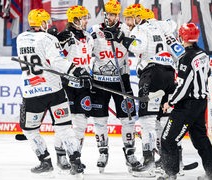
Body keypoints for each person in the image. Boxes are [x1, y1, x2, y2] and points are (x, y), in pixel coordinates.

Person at [106, 3, 185, 177]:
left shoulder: (139, 29)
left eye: (130, 18)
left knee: (148, 120)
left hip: (152, 74)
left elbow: (138, 47)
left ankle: (148, 163)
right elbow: (172, 26)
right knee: (163, 121)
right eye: (125, 18)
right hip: (169, 73)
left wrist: (121, 39)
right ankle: (173, 162)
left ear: (139, 17)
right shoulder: (158, 25)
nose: (127, 22)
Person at [16, 8, 89, 175]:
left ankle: (45, 160)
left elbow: (37, 46)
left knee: (29, 129)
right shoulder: (48, 38)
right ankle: (75, 161)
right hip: (55, 90)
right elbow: (57, 62)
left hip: (33, 92)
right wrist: (78, 70)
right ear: (42, 23)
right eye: (46, 22)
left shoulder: (20, 39)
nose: (48, 24)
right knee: (64, 127)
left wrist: (53, 38)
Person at [159, 23, 212, 180]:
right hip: (201, 103)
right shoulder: (203, 54)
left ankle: (170, 173)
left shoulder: (185, 58)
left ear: (182, 37)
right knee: (200, 138)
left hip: (187, 105)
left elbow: (184, 86)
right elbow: (207, 73)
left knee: (168, 139)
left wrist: (170, 102)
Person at [87, 0, 140, 173]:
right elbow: (85, 52)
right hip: (99, 82)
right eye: (109, 14)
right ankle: (103, 152)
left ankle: (130, 154)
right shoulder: (95, 31)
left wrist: (122, 38)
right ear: (104, 14)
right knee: (100, 120)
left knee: (128, 119)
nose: (112, 17)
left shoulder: (126, 29)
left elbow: (138, 48)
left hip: (121, 81)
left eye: (115, 14)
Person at [49, 5, 94, 171]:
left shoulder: (89, 37)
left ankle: (76, 157)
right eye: (83, 18)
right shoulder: (64, 36)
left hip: (83, 86)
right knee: (64, 124)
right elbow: (54, 59)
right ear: (74, 19)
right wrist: (51, 38)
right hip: (66, 85)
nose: (86, 20)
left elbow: (90, 59)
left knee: (81, 123)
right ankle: (61, 157)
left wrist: (91, 74)